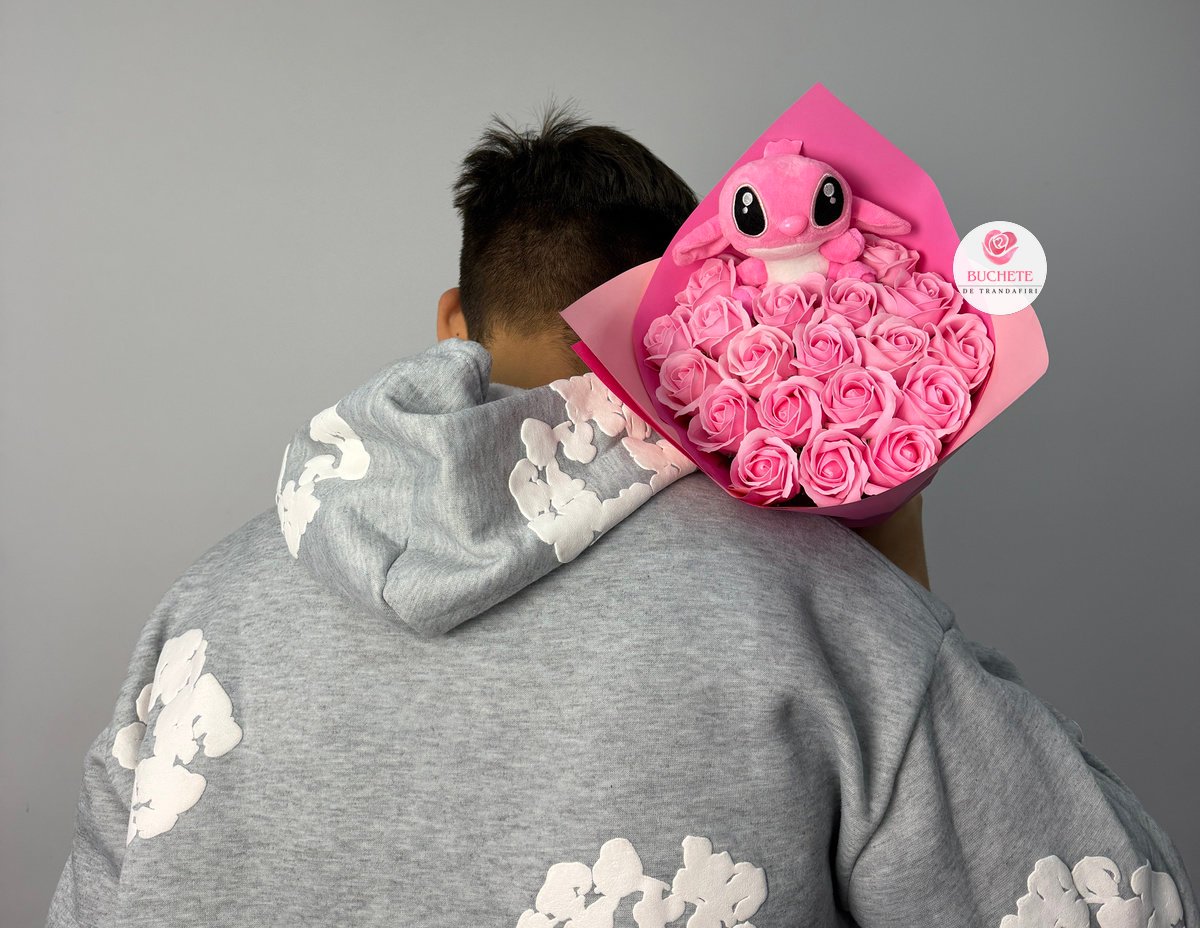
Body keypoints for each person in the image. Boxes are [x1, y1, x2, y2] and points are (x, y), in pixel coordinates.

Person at [47, 105, 1194, 928]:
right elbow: (1113, 900)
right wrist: (890, 547)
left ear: (454, 318)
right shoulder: (821, 614)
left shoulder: (205, 612)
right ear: (684, 320)